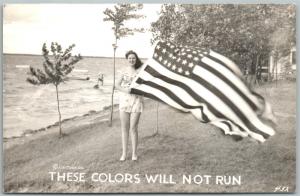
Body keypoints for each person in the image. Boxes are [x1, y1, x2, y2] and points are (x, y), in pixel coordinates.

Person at [114, 50, 144, 161]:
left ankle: (134, 154)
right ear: (127, 59)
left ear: (136, 59)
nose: (132, 60)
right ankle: (124, 154)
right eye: (130, 58)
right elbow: (116, 85)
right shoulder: (123, 71)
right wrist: (125, 90)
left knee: (133, 128)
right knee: (124, 128)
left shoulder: (140, 72)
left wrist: (139, 92)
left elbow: (143, 86)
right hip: (124, 100)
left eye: (134, 58)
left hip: (136, 100)